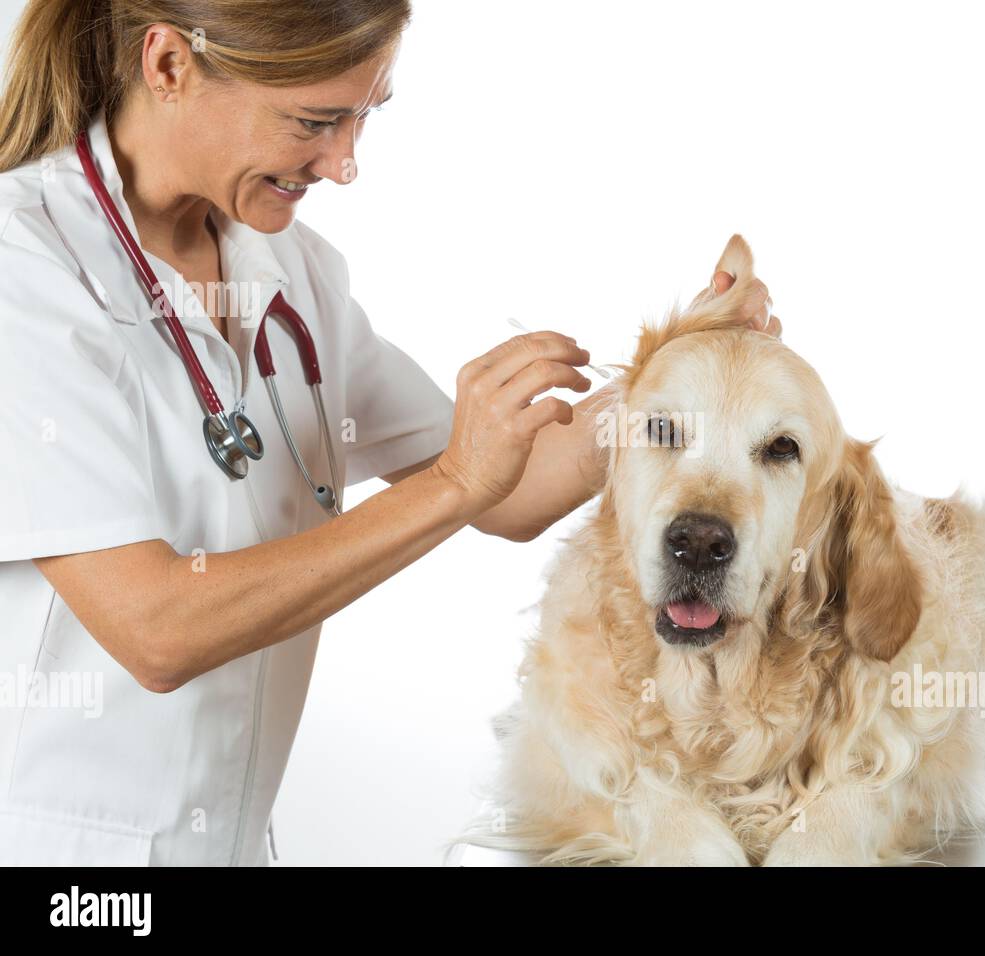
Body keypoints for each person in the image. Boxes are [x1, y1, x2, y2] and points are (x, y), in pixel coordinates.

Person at [0, 0, 776, 865]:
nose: (344, 164)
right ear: (169, 65)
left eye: (364, 117)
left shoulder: (295, 274)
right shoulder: (24, 263)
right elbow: (157, 629)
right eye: (315, 120)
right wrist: (453, 485)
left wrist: (677, 377)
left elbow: (510, 488)